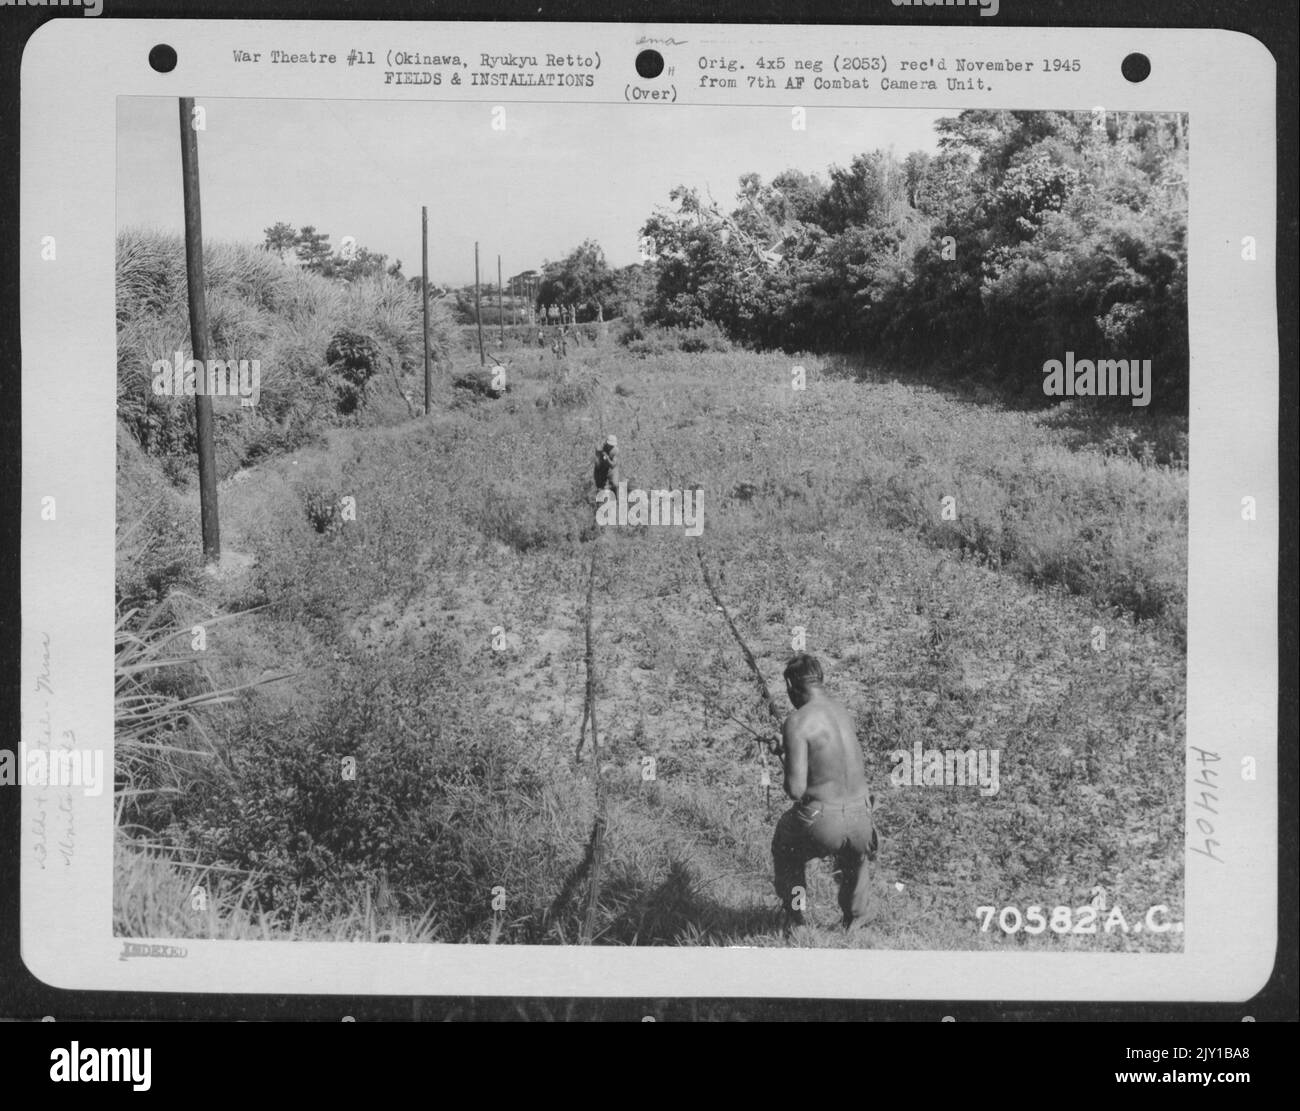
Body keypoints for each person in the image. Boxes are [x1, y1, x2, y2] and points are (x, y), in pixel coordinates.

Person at [771, 653, 877, 930]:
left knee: (786, 847)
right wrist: (790, 747)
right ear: (819, 680)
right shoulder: (842, 712)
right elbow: (829, 756)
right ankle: (855, 921)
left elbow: (795, 790)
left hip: (823, 821)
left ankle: (795, 919)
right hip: (862, 819)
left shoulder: (797, 721)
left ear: (792, 687)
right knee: (856, 860)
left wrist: (786, 754)